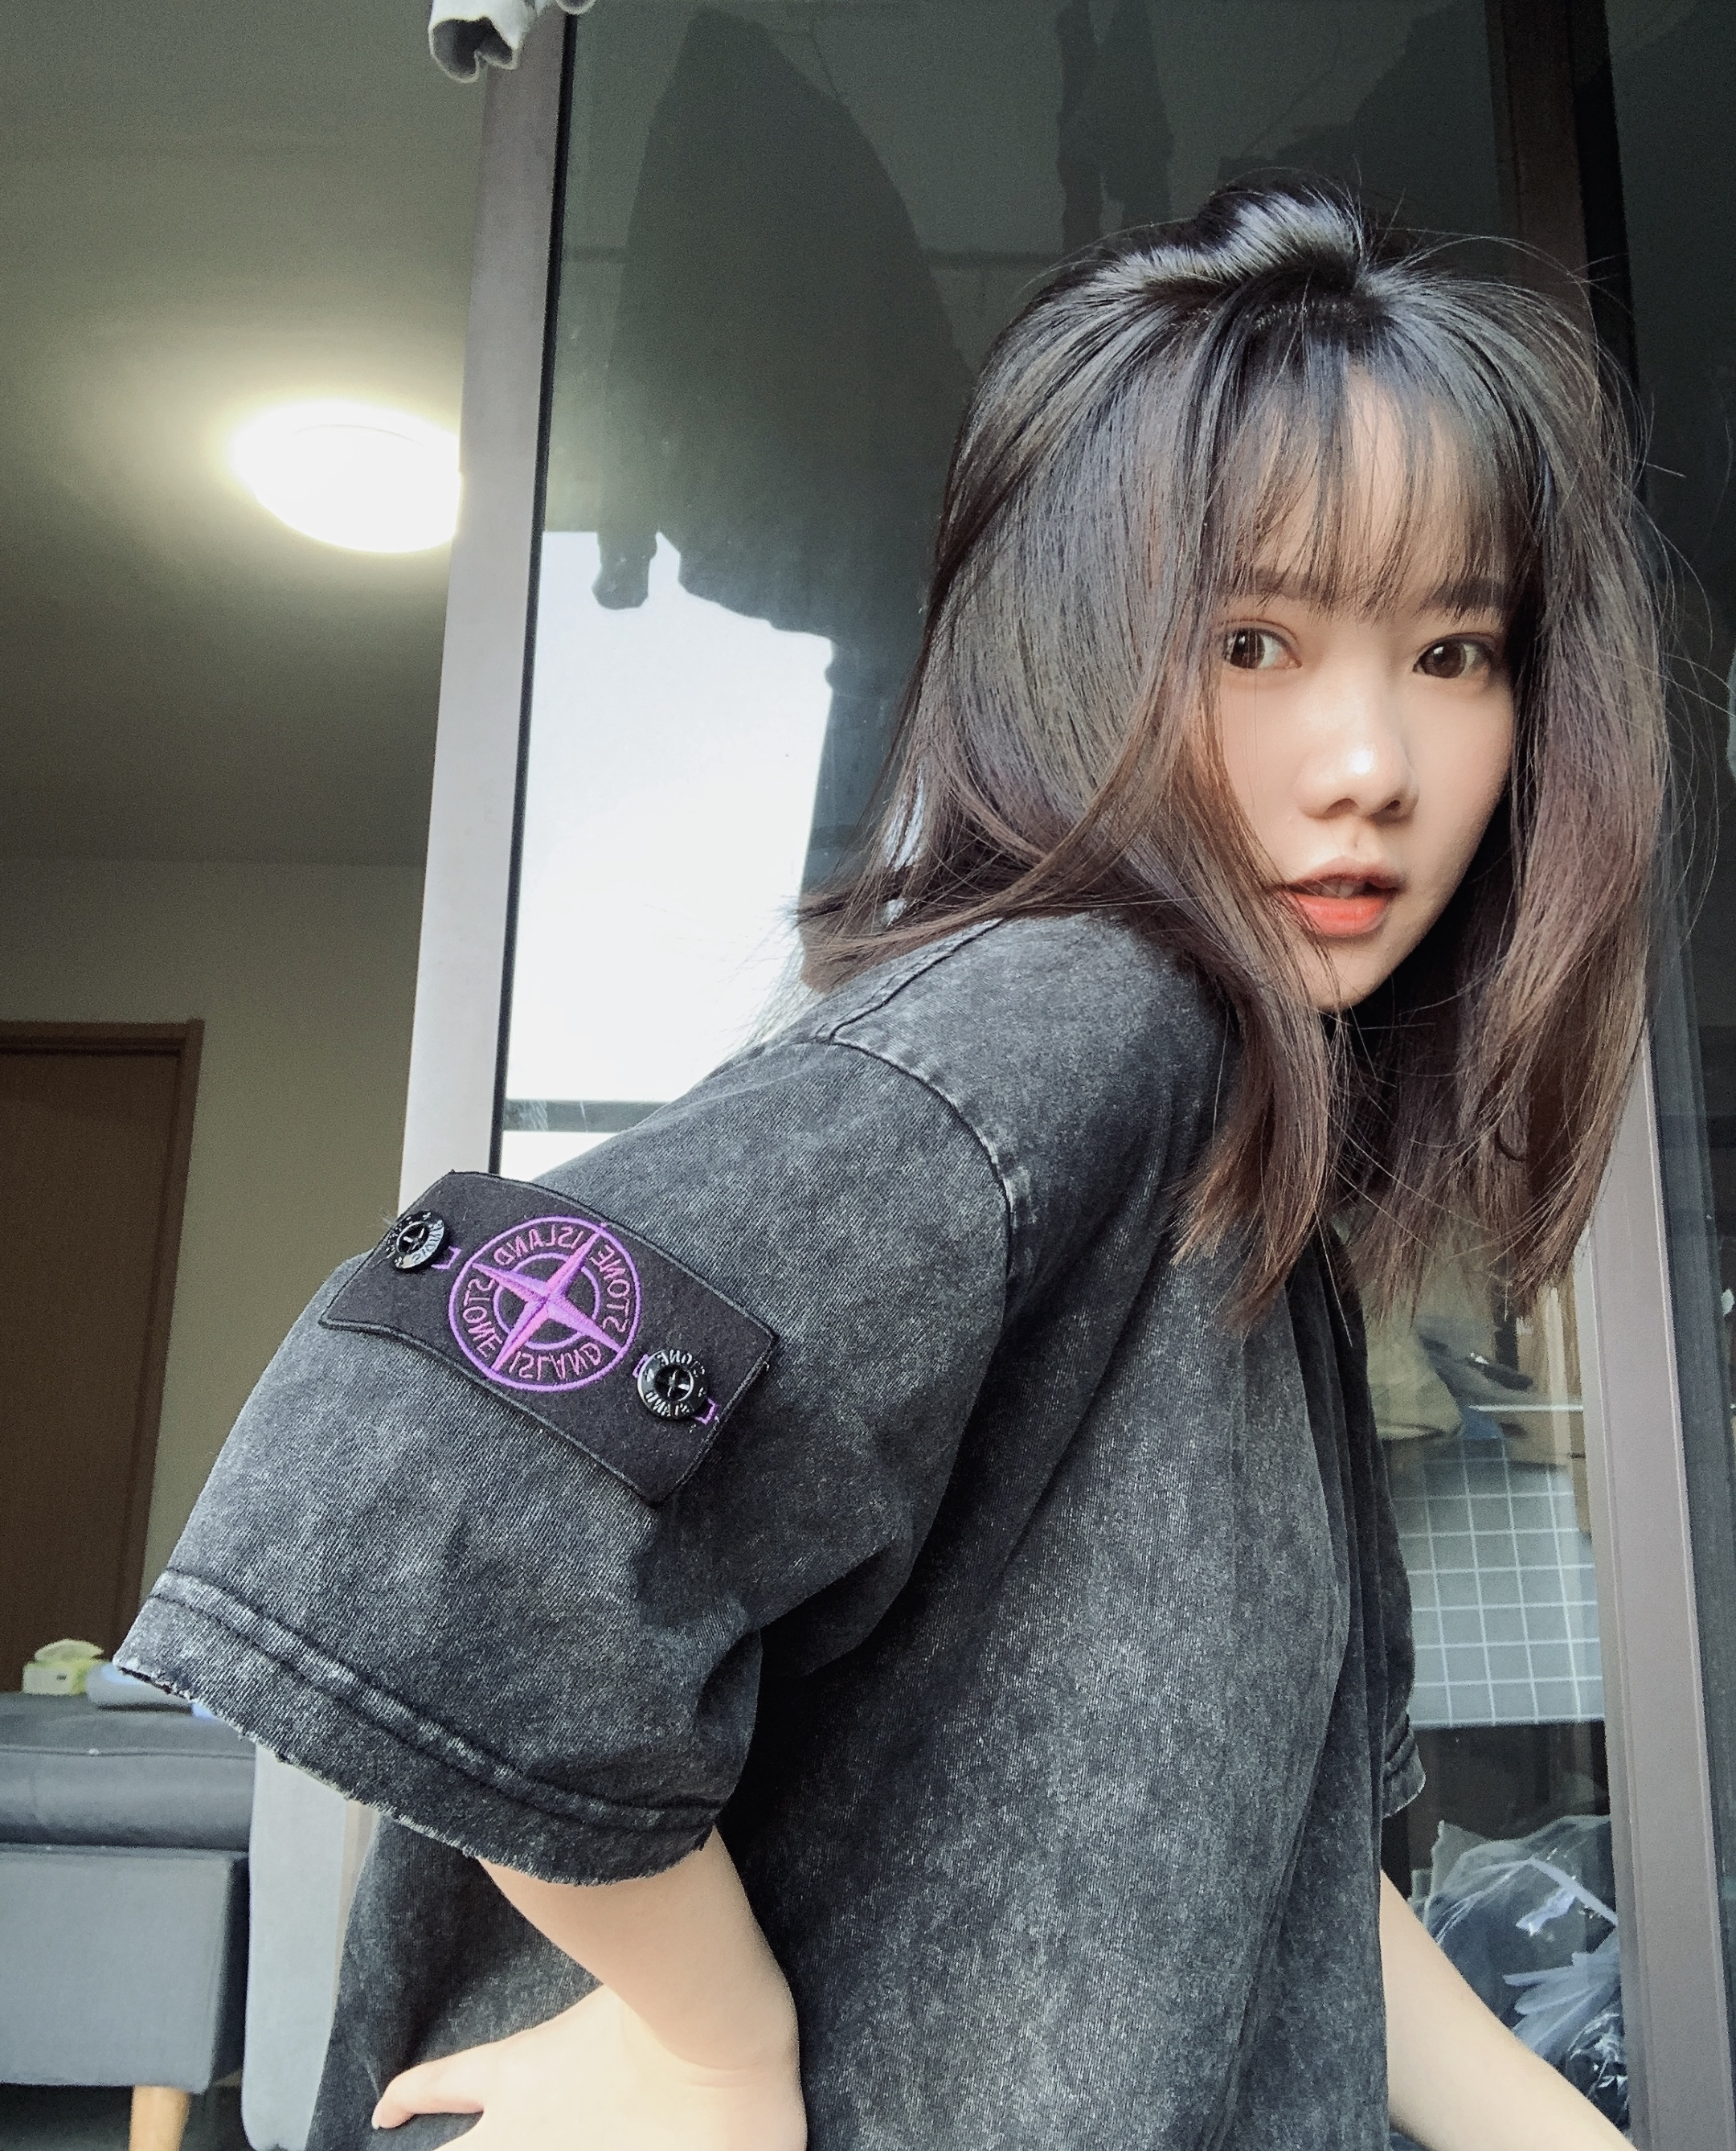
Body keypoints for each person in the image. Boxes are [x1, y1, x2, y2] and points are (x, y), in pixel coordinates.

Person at [119, 182, 1663, 2149]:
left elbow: (1292, 1899)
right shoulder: (1092, 1019)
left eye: (1454, 651)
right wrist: (705, 2040)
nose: (1373, 761)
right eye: (1255, 638)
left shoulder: (1245, 1187)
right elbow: (453, 1429)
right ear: (1070, 653)